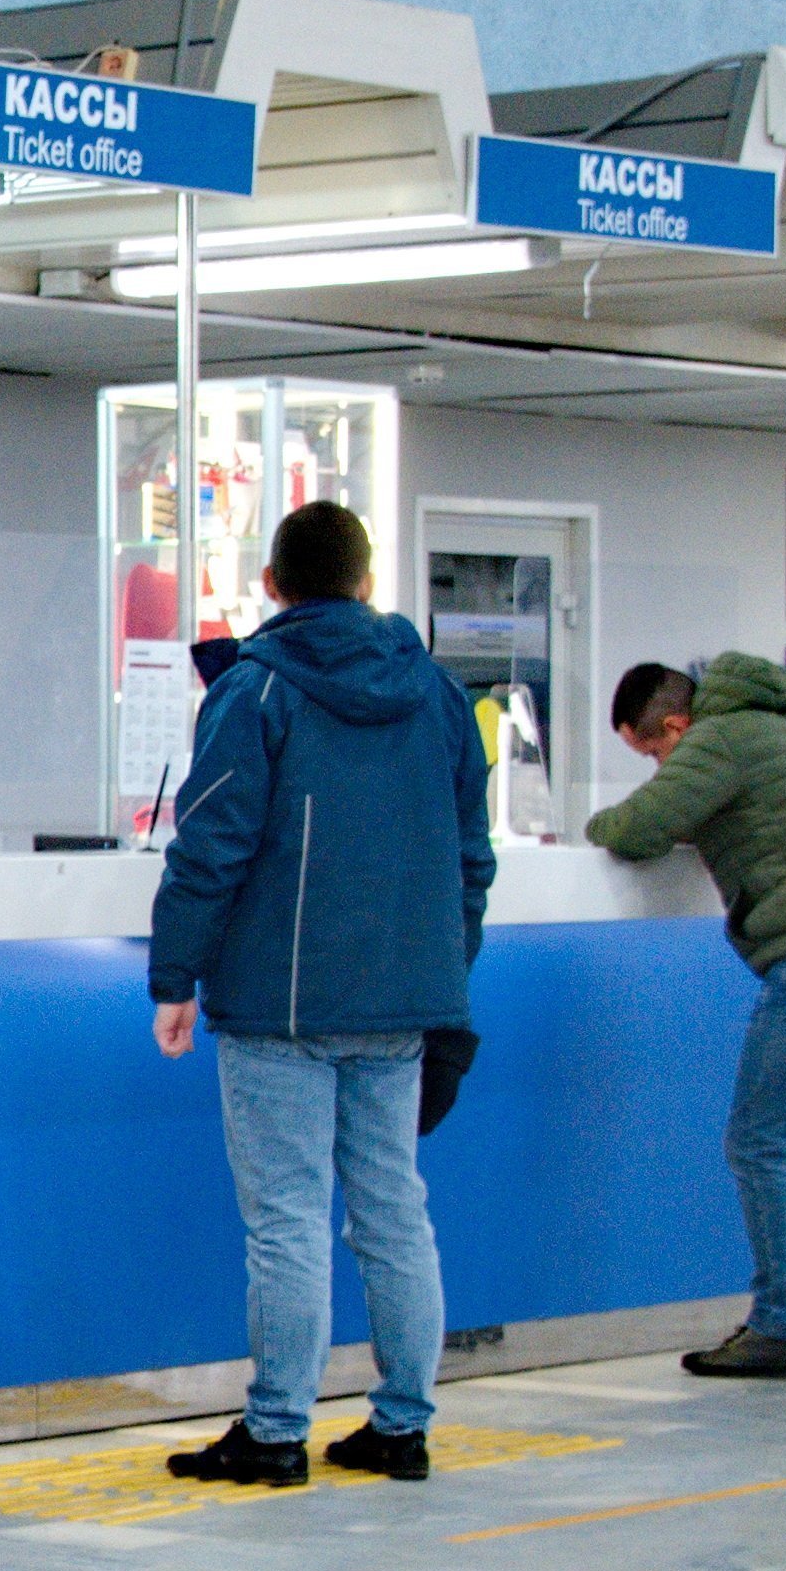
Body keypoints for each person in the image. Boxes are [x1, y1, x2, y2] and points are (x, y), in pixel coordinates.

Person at [142, 502, 493, 1485]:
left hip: (278, 1006)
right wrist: (442, 967)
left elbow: (210, 843)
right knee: (390, 1209)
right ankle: (402, 1423)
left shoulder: (254, 690)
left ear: (271, 585)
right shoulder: (435, 692)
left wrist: (174, 974)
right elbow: (472, 854)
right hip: (405, 1004)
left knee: (287, 1219)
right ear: (367, 580)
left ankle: (275, 1429)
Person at [590, 654, 786, 1379]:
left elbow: (632, 829)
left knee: (758, 1143)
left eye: (654, 752)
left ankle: (778, 1324)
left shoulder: (718, 741)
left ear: (675, 724)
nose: (660, 766)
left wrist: (600, 817)